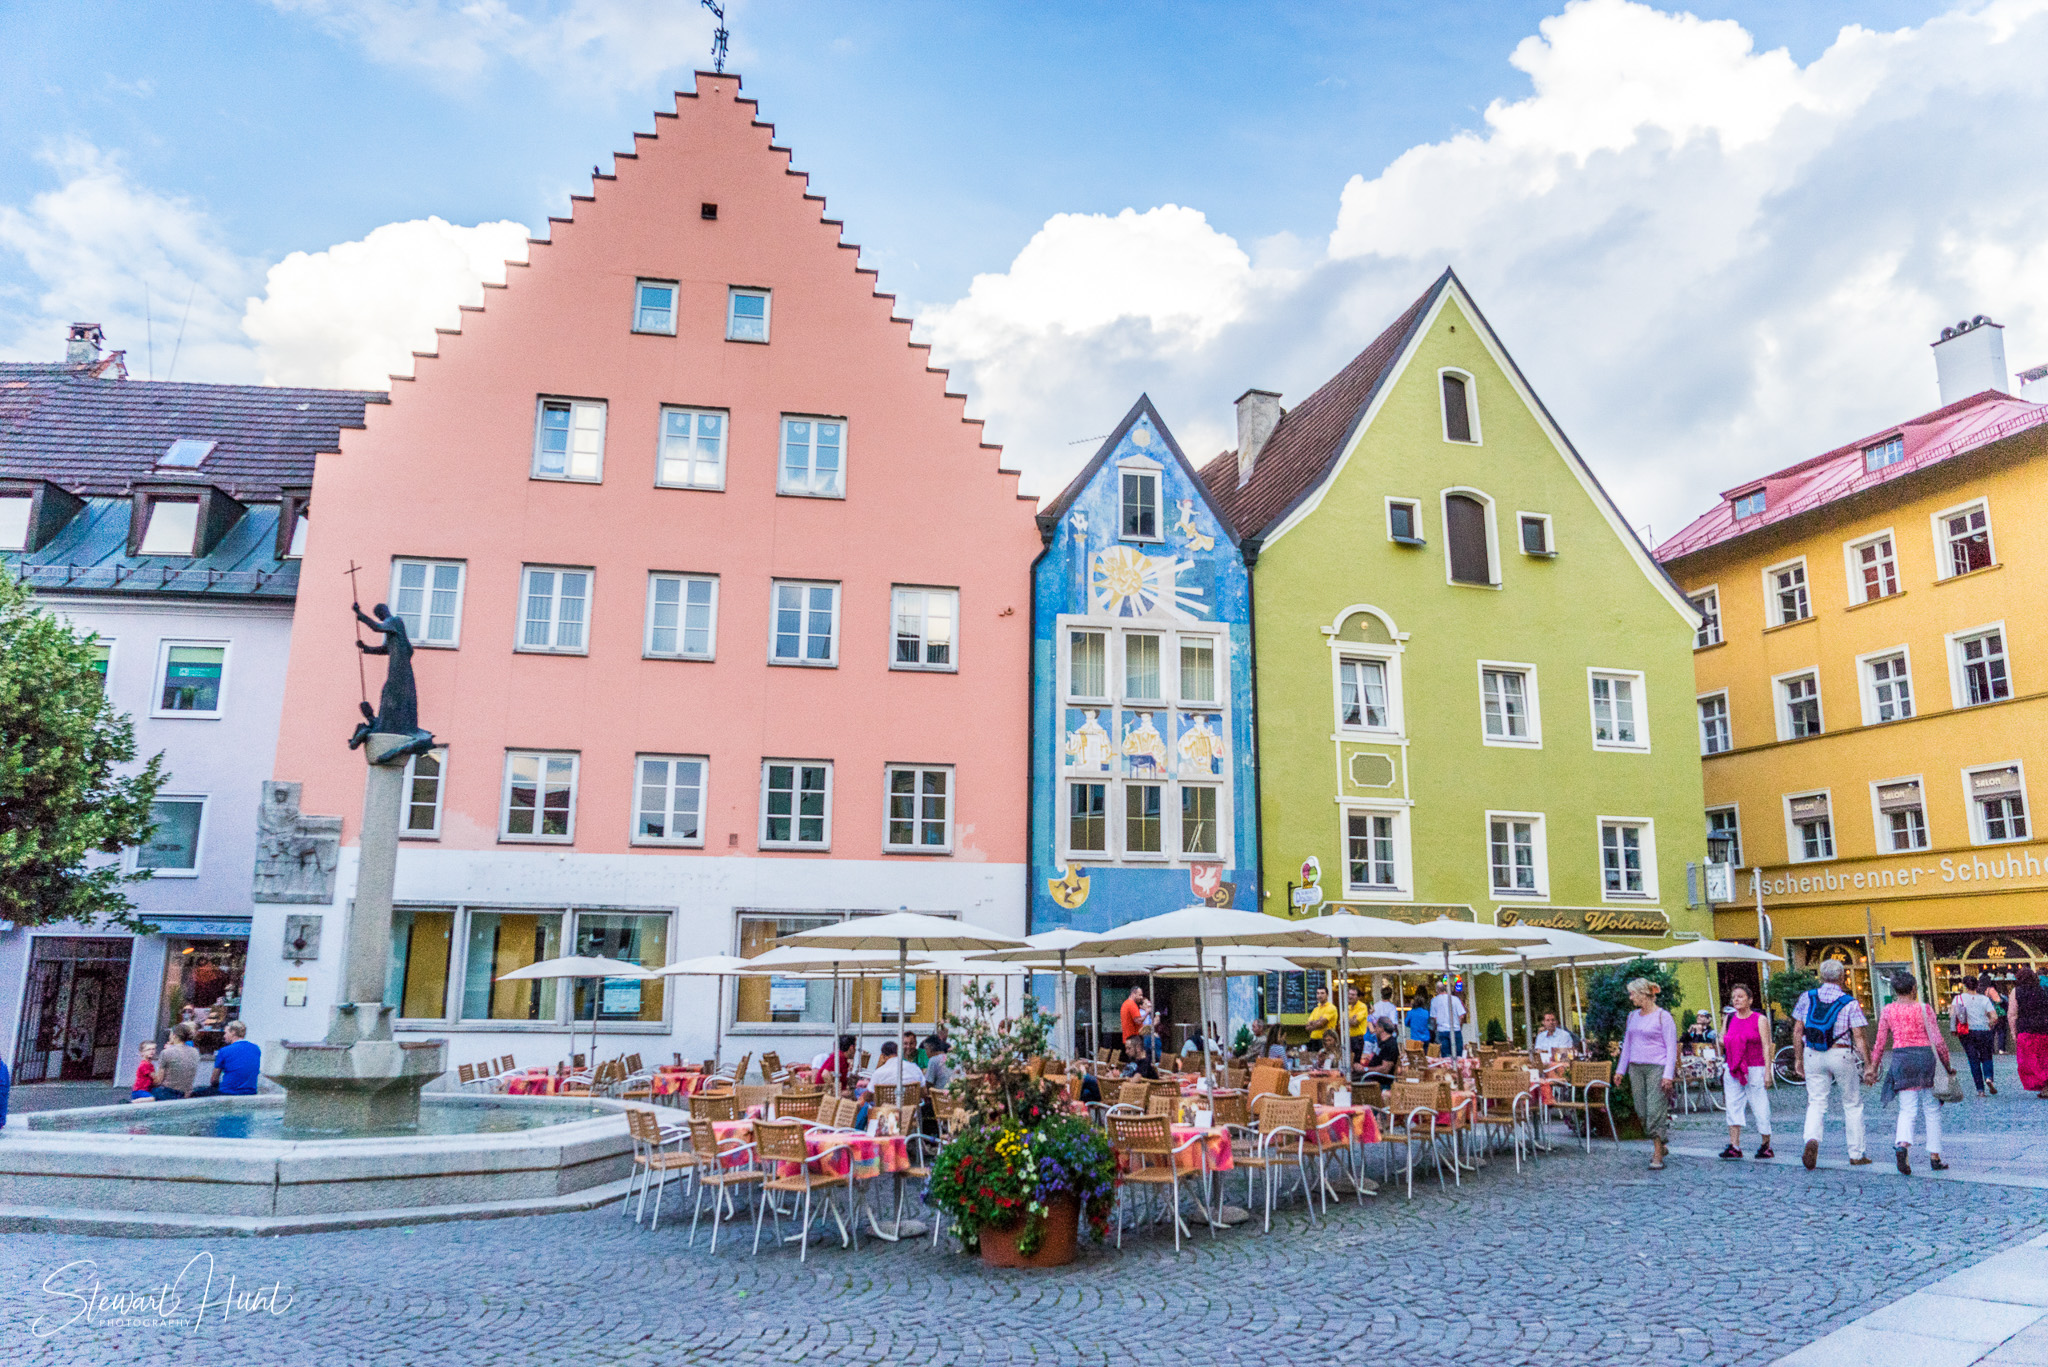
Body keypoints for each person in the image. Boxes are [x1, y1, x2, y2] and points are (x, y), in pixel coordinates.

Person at [1866, 971, 1951, 1174]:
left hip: (1902, 1059)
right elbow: (1938, 1040)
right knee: (1931, 1109)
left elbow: (1879, 1043)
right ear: (1914, 989)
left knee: (1907, 1109)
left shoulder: (1888, 1011)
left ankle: (1902, 1144)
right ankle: (1935, 1156)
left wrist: (1873, 1067)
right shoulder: (1924, 1009)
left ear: (1895, 990)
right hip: (1924, 1058)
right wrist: (1946, 1064)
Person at [1792, 959, 1872, 1169]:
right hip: (1840, 1053)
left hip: (1813, 1052)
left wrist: (1798, 1059)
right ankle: (1856, 1153)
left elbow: (1798, 1030)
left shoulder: (1807, 997)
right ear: (1842, 977)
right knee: (1852, 1104)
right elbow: (1859, 1037)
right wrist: (1868, 1065)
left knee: (1816, 1101)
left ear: (1821, 976)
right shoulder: (1849, 1002)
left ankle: (1811, 1139)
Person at [1615, 978, 1678, 1169]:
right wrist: (1620, 1070)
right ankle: (1661, 1143)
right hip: (1636, 1067)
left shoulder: (1663, 1016)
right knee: (1641, 1110)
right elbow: (1627, 1045)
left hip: (1656, 1067)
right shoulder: (1632, 1016)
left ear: (1644, 994)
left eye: (1633, 993)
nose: (1630, 997)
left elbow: (1671, 1047)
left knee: (1655, 1110)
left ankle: (1658, 1153)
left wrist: (1668, 1074)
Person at [1717, 984, 1773, 1160]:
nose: (1736, 1000)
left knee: (1759, 1104)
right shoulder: (1729, 1018)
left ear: (1750, 1000)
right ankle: (1735, 1145)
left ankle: (1765, 1144)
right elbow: (1722, 1040)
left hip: (1755, 1066)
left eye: (1740, 997)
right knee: (1733, 1105)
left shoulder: (1759, 1019)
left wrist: (1767, 1071)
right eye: (1734, 997)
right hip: (1733, 1066)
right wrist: (1720, 1039)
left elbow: (1766, 1045)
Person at [1949, 975, 1999, 1097]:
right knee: (1987, 1056)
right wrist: (1990, 1024)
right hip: (1983, 1030)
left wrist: (1954, 1029)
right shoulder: (1984, 999)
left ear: (1965, 986)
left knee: (1973, 1060)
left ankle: (1980, 1090)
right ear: (1977, 986)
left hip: (1966, 1032)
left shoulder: (1958, 999)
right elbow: (1994, 1017)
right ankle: (1988, 1078)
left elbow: (1952, 1015)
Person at [191, 1021, 260, 1097]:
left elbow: (214, 1079)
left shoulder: (224, 1051)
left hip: (228, 1092)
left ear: (233, 1032)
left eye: (226, 1033)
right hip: (250, 1092)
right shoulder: (256, 1049)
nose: (224, 1036)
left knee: (195, 1093)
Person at [2013, 968, 2048, 1098]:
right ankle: (2046, 1085)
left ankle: (2043, 1083)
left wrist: (2013, 1032)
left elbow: (2012, 1014)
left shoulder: (2016, 992)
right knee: (2044, 1059)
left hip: (2026, 1029)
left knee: (2028, 1060)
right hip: (2044, 1029)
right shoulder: (2043, 990)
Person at [152, 1024, 202, 1101]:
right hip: (186, 1092)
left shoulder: (166, 1052)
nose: (169, 1037)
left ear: (174, 1036)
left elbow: (159, 1081)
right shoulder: (195, 1052)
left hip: (168, 1092)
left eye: (170, 1034)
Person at [1429, 981, 1467, 1058]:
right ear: (1446, 989)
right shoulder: (1455, 999)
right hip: (1455, 1029)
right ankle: (1457, 1068)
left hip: (1442, 1030)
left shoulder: (1434, 1001)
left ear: (1437, 990)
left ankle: (1448, 1069)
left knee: (1445, 1055)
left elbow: (1434, 1017)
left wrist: (1435, 1029)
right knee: (1458, 1055)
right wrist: (1459, 1026)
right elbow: (1462, 1015)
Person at [1360, 1019, 1402, 1087]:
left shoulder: (1390, 1045)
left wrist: (1366, 1069)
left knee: (1353, 1084)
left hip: (1378, 1081)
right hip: (1372, 1077)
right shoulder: (1382, 1043)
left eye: (1376, 1027)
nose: (1375, 1029)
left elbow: (1385, 1069)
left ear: (1381, 1029)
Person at [1305, 986, 1337, 1056]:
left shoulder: (1331, 1008)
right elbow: (1307, 1027)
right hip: (1313, 1039)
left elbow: (1322, 1024)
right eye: (1318, 993)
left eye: (1322, 993)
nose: (1320, 995)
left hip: (1325, 1040)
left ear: (1327, 995)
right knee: (1313, 1061)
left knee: (1324, 1061)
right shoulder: (1316, 1009)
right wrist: (1318, 1022)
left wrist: (1313, 1023)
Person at [1119, 986, 1146, 1064]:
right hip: (1133, 1040)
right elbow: (1138, 1020)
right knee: (1137, 1063)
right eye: (1140, 995)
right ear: (1133, 994)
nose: (1141, 997)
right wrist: (1147, 1012)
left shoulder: (1126, 1004)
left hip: (1128, 1038)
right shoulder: (1131, 1005)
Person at [1346, 986, 1370, 1066]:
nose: (1350, 996)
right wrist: (1350, 1019)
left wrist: (1347, 1020)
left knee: (1356, 1062)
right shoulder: (1348, 1007)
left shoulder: (1362, 1007)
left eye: (1353, 995)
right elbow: (1341, 1023)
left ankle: (1356, 1077)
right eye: (1349, 994)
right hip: (1348, 1038)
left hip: (1358, 1039)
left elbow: (1355, 1022)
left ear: (1358, 997)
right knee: (1348, 1061)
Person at [1987, 979, 2010, 1055]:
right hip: (1999, 1013)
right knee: (2001, 1031)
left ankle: (1991, 1049)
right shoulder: (1993, 991)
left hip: (1990, 1014)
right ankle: (2001, 1049)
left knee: (1992, 1032)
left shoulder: (1986, 991)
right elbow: (1999, 1001)